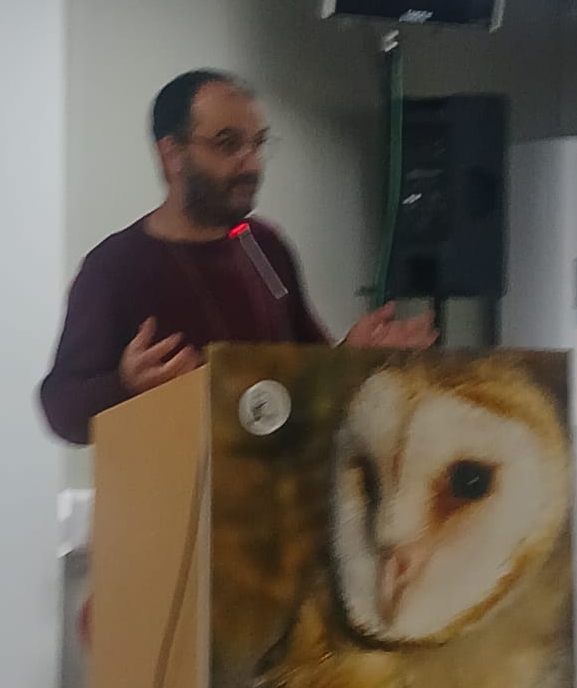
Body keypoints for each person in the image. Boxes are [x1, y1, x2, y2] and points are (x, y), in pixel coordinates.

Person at [40, 69, 437, 444]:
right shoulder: (115, 266)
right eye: (228, 144)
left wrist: (352, 356)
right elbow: (61, 408)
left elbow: (307, 368)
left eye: (258, 143)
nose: (252, 164)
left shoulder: (261, 245)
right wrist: (125, 386)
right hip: (175, 490)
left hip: (279, 483)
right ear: (172, 154)